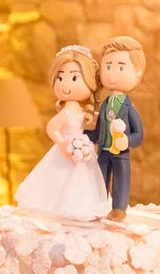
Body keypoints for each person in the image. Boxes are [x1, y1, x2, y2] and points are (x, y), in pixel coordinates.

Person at [14, 46, 109, 221]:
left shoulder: (81, 109)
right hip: (66, 150)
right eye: (60, 78)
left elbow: (90, 122)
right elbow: (52, 128)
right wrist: (63, 143)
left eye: (74, 78)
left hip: (81, 151)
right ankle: (61, 207)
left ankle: (81, 207)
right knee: (60, 179)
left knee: (83, 179)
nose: (65, 85)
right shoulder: (66, 112)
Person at [94, 36, 146, 221]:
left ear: (137, 72)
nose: (112, 74)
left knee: (120, 180)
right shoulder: (105, 104)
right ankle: (98, 206)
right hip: (103, 151)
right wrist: (84, 136)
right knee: (99, 179)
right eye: (108, 67)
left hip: (120, 153)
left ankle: (118, 209)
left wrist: (127, 140)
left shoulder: (129, 108)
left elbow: (139, 134)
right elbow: (98, 129)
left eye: (121, 67)